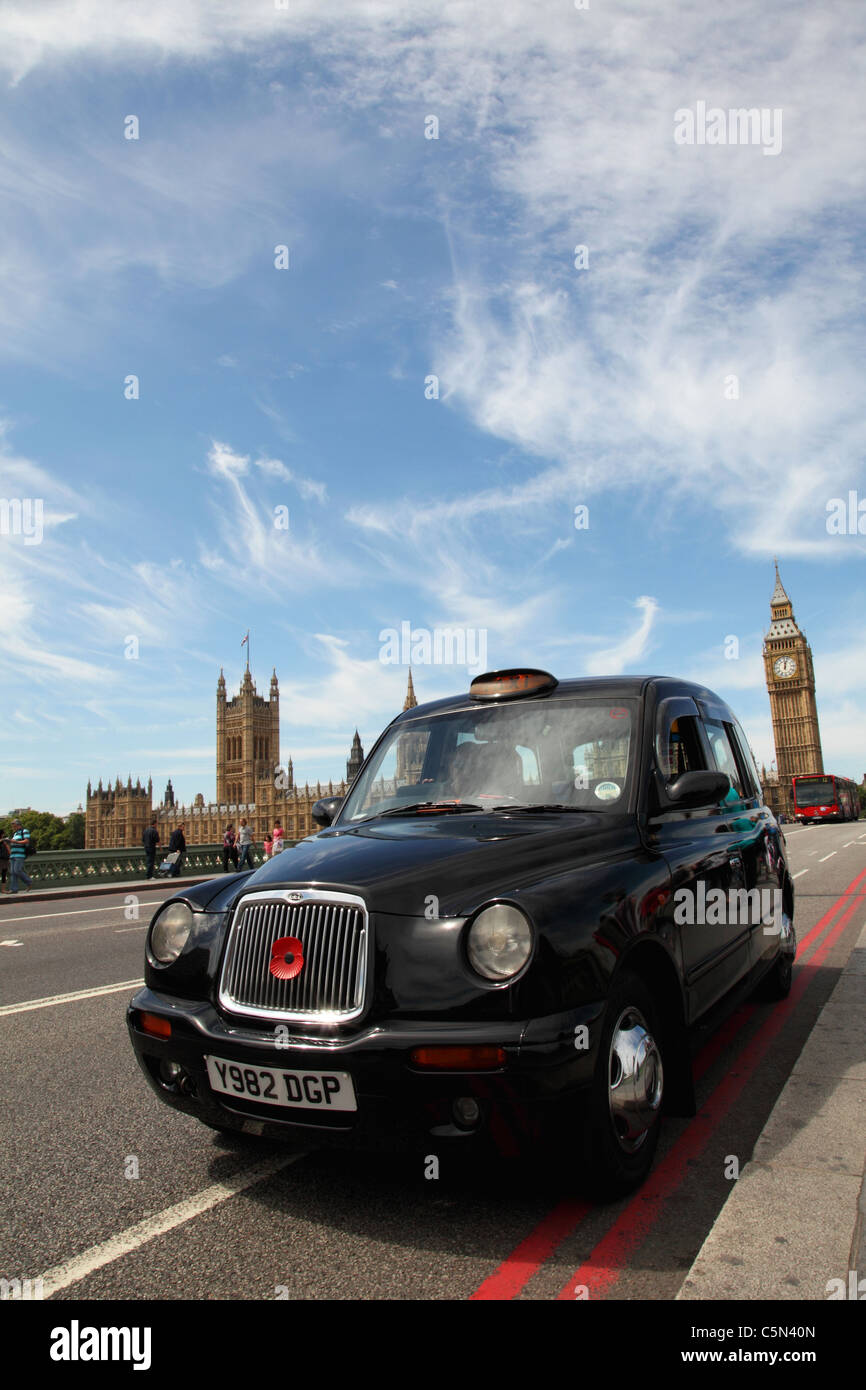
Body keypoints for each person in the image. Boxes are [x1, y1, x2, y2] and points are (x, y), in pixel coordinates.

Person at [8, 819, 33, 893]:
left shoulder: (24, 831)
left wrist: (16, 841)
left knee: (17, 870)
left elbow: (26, 840)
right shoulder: (15, 834)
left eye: (14, 825)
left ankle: (29, 882)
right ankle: (14, 889)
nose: (13, 827)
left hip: (20, 854)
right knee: (12, 872)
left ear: (18, 825)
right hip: (13, 854)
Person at [0, 826, 9, 892]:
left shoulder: (4, 841)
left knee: (3, 874)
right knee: (3, 874)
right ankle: (3, 889)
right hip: (3, 860)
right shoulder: (3, 841)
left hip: (3, 859)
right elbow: (8, 850)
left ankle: (3, 889)